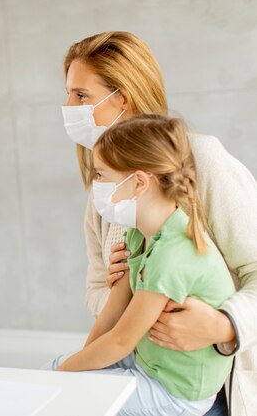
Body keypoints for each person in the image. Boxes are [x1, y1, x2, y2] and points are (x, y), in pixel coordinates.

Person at [61, 31, 257, 416]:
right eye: (67, 93)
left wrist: (224, 326)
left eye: (80, 95)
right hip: (148, 371)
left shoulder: (203, 161)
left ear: (123, 96)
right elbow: (97, 287)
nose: (67, 107)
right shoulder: (105, 191)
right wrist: (126, 289)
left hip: (212, 394)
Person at [52, 115, 235, 415]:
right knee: (55, 372)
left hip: (177, 391)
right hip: (150, 364)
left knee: (69, 397)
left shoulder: (174, 254)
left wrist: (64, 381)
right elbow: (111, 317)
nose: (95, 185)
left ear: (138, 182)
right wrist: (67, 372)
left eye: (101, 175)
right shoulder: (140, 233)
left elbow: (122, 340)